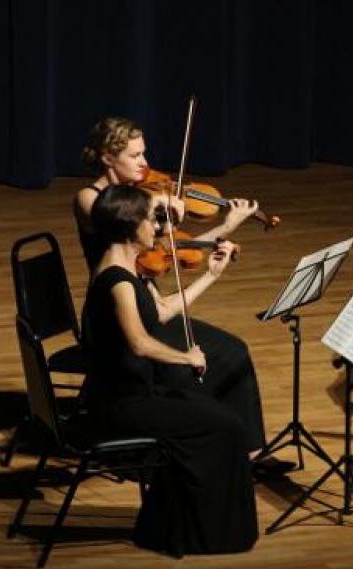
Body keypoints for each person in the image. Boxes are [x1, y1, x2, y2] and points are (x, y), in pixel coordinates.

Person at [77, 116, 291, 475]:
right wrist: (165, 216)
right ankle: (196, 449)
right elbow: (124, 232)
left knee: (234, 350)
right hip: (120, 311)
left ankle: (251, 453)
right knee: (192, 371)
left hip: (149, 301)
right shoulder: (91, 199)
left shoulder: (146, 201)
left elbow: (168, 250)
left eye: (144, 154)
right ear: (107, 159)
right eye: (135, 155)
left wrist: (223, 228)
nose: (145, 163)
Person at [80, 184, 256, 555]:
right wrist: (187, 357)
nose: (157, 227)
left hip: (138, 393)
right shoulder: (115, 279)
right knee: (224, 426)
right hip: (119, 404)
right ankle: (197, 533)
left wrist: (210, 275)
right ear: (130, 227)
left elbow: (162, 313)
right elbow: (139, 342)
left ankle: (179, 525)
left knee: (220, 417)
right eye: (151, 219)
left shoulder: (132, 270)